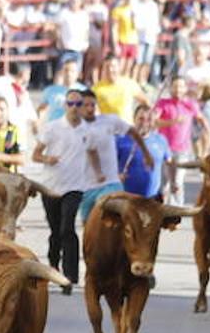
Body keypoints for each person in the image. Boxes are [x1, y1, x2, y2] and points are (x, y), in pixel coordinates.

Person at [33, 87, 99, 294]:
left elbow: (93, 152)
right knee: (55, 231)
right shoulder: (52, 128)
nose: (74, 108)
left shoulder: (87, 131)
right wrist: (47, 159)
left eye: (78, 104)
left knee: (67, 228)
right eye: (70, 103)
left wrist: (99, 174)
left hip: (74, 187)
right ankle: (53, 265)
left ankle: (70, 277)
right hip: (51, 187)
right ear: (64, 106)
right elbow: (35, 154)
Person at [77, 89, 149, 226]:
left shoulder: (109, 120)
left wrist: (146, 154)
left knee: (114, 217)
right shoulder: (73, 128)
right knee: (87, 225)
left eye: (93, 105)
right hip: (86, 187)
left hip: (111, 183)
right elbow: (89, 152)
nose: (90, 108)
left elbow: (132, 131)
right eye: (85, 105)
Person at [152, 75, 210, 206]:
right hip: (164, 150)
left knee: (177, 182)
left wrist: (209, 134)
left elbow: (201, 119)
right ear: (170, 88)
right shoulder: (162, 103)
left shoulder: (190, 104)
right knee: (163, 182)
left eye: (181, 86)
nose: (178, 89)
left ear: (185, 88)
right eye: (175, 86)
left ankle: (176, 212)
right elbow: (154, 122)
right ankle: (159, 209)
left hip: (182, 150)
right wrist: (172, 122)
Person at [116, 102, 171, 200]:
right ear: (134, 119)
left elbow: (169, 164)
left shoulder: (161, 140)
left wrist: (170, 183)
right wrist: (117, 177)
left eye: (149, 119)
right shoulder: (121, 139)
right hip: (126, 198)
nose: (145, 123)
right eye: (141, 119)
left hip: (153, 198)